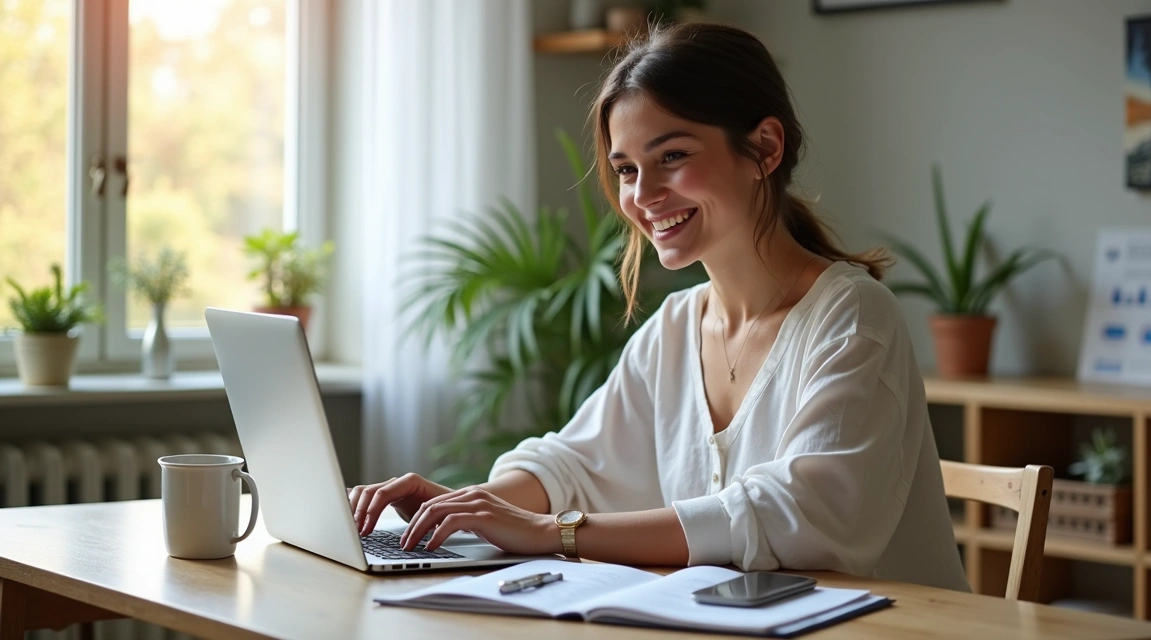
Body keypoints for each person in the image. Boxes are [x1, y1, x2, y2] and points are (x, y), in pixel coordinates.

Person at [349, 22, 970, 591]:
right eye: (626, 169)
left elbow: (799, 515)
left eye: (672, 156)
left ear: (765, 148)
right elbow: (575, 464)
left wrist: (550, 532)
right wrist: (470, 508)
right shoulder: (676, 329)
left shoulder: (853, 318)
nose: (643, 196)